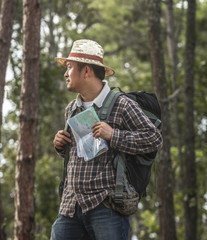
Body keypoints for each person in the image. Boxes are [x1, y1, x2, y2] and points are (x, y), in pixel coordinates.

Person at [51, 39, 163, 240]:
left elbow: (153, 138)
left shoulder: (121, 104)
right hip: (70, 207)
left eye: (69, 68)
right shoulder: (71, 108)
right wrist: (61, 146)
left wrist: (113, 135)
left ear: (86, 71)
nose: (66, 73)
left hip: (105, 207)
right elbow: (79, 154)